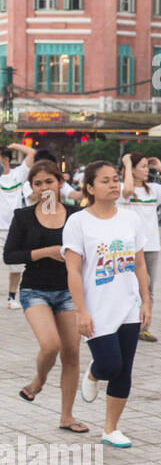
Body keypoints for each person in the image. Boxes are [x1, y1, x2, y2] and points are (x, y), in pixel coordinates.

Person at [61, 161, 151, 449]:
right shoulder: (78, 222)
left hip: (128, 305)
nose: (114, 185)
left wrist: (146, 301)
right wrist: (80, 311)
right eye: (105, 181)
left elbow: (139, 264)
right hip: (97, 307)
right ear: (89, 187)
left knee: (125, 369)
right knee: (111, 365)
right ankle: (95, 372)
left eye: (115, 179)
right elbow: (73, 271)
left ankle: (111, 429)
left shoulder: (130, 219)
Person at [4, 160, 86, 431]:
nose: (44, 188)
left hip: (69, 292)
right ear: (32, 188)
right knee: (51, 345)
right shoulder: (23, 216)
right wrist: (45, 252)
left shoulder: (77, 215)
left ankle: (67, 416)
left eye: (48, 182)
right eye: (37, 184)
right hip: (34, 289)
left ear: (61, 182)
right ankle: (39, 380)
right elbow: (10, 256)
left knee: (72, 353)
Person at [119, 152, 161, 342]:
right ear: (131, 169)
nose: (146, 170)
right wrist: (126, 164)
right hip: (129, 248)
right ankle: (125, 324)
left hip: (151, 245)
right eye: (142, 166)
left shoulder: (153, 190)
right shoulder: (122, 188)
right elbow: (126, 192)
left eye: (146, 166)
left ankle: (143, 327)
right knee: (129, 286)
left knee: (148, 287)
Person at [2, 142, 38, 309]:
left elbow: (32, 152)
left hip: (13, 228)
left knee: (16, 266)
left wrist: (14, 145)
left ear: (5, 160)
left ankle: (11, 298)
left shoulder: (18, 175)